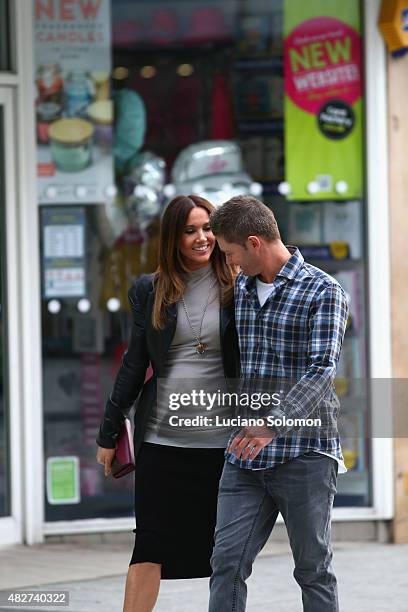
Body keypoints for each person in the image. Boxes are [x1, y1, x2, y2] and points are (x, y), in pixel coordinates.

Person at [96, 194, 239, 612]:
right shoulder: (150, 290)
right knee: (148, 548)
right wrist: (108, 431)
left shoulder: (239, 286)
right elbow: (133, 364)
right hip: (161, 442)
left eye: (208, 228)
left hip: (221, 446)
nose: (202, 238)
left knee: (227, 554)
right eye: (190, 230)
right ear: (172, 238)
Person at [208, 195, 349, 612]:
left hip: (304, 453)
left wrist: (273, 422)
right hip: (246, 456)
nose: (229, 263)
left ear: (254, 243)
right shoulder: (242, 288)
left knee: (312, 569)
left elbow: (322, 371)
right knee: (226, 563)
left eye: (230, 253)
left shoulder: (324, 291)